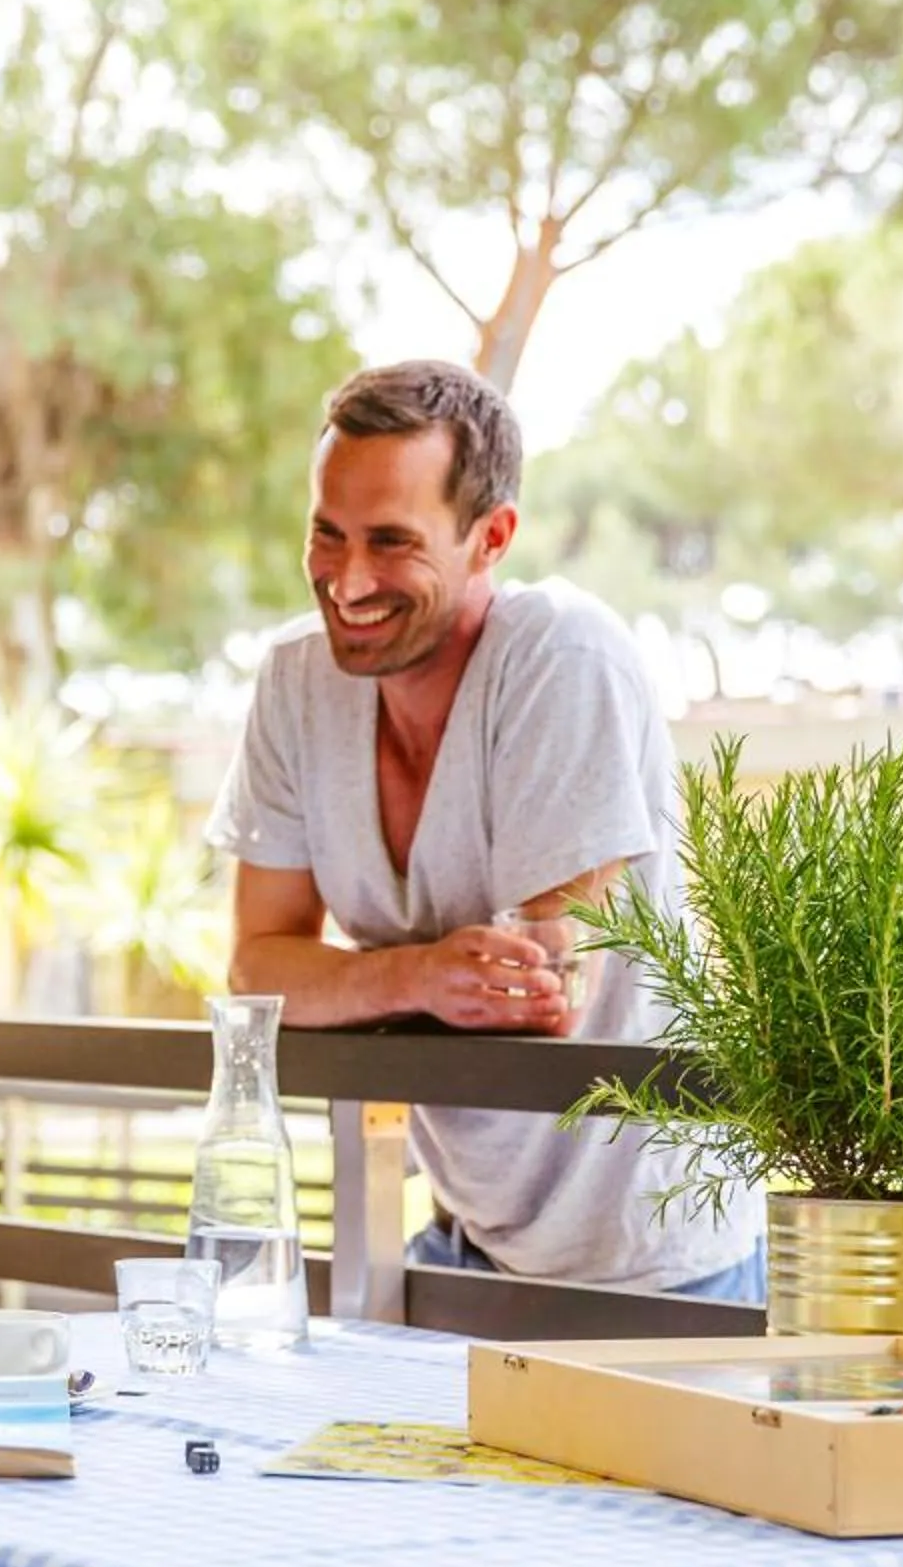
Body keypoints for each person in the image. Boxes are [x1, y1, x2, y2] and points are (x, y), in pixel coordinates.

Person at [205, 360, 763, 1298]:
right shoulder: (295, 685)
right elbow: (258, 971)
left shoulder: (562, 658)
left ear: (492, 536)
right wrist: (421, 973)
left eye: (392, 542)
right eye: (327, 534)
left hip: (654, 1257)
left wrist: (350, 983)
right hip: (467, 1239)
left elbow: (538, 996)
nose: (347, 580)